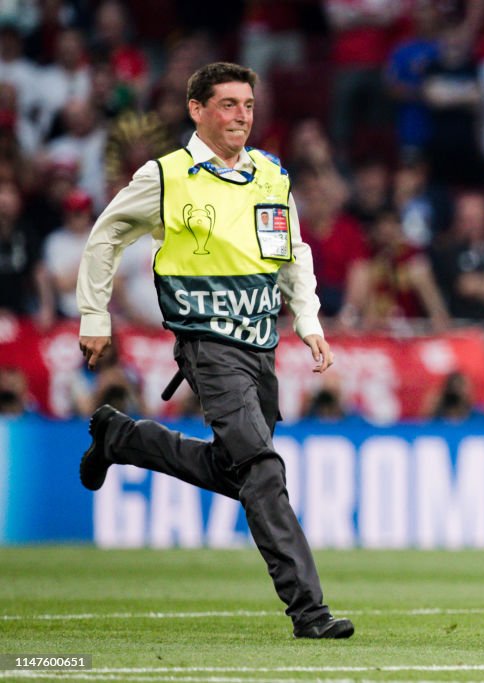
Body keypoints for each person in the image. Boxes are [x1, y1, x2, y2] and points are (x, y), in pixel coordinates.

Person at [75, 62, 353, 640]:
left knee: (240, 471)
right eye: (227, 105)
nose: (241, 117)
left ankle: (121, 438)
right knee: (262, 468)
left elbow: (291, 251)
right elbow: (107, 235)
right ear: (196, 110)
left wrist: (309, 319)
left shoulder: (271, 175)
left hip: (261, 346)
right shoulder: (166, 176)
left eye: (248, 105)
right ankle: (309, 610)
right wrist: (94, 313)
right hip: (207, 345)